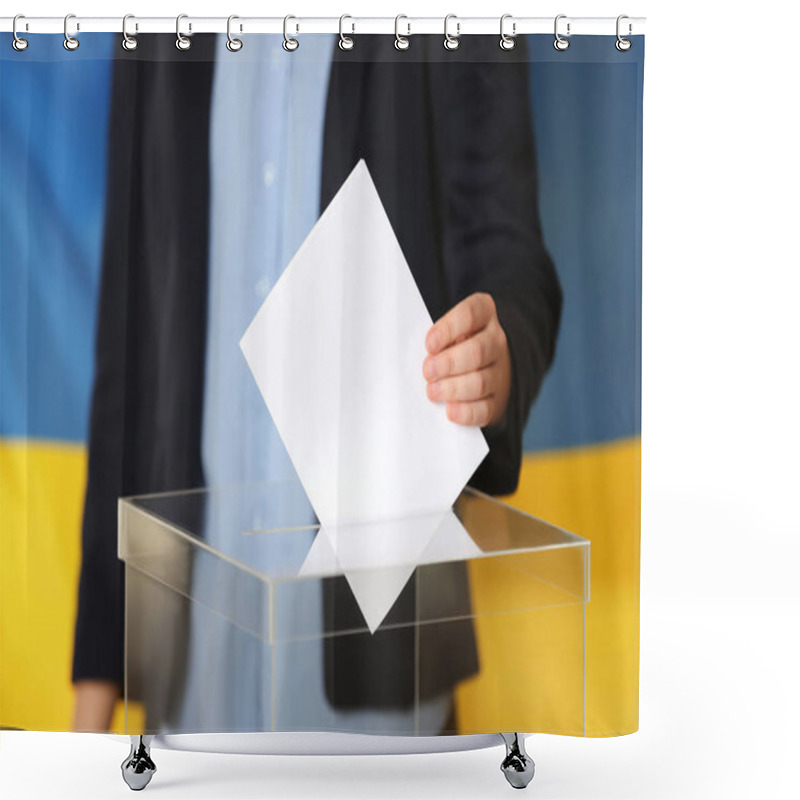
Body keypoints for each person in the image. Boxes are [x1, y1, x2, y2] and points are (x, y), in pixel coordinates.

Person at [71, 32, 562, 732]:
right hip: (186, 672)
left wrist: (497, 350)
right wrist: (98, 676)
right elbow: (131, 335)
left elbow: (509, 251)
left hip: (386, 662)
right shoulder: (156, 22)